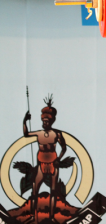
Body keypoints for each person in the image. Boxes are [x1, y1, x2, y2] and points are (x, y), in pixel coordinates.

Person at [23, 95, 67, 224]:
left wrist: (59, 158)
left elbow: (64, 148)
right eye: (43, 122)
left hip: (53, 165)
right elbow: (26, 134)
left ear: (51, 121)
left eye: (47, 122)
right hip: (41, 165)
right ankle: (32, 216)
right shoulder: (39, 134)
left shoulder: (57, 134)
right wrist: (24, 121)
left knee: (53, 191)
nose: (44, 123)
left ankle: (52, 217)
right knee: (35, 189)